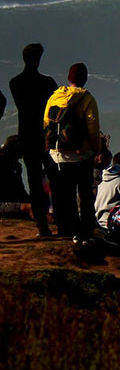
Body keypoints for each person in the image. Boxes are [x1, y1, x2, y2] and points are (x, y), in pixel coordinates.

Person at [44, 62, 102, 243]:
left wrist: (51, 146)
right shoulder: (87, 99)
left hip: (58, 154)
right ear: (85, 79)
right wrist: (97, 149)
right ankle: (85, 232)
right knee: (84, 194)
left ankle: (66, 229)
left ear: (69, 78)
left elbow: (46, 123)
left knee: (65, 194)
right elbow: (93, 128)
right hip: (81, 154)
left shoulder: (54, 97)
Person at [9, 44, 57, 236]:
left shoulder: (15, 83)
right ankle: (61, 221)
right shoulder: (48, 83)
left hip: (27, 137)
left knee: (34, 181)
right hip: (46, 136)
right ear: (38, 59)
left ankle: (41, 225)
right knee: (55, 178)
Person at [0, 135, 31, 219]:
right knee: (28, 207)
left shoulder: (15, 166)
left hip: (12, 202)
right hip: (3, 205)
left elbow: (20, 191)